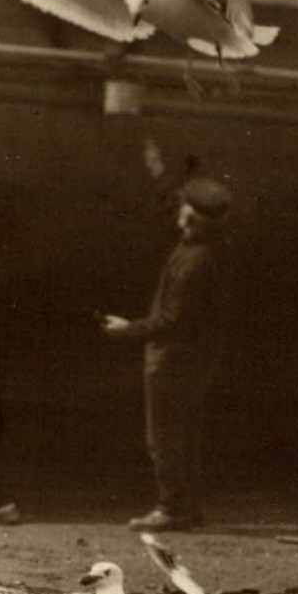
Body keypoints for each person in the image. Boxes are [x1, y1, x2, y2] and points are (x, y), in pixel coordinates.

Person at [99, 176, 235, 532]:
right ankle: (188, 508)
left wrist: (128, 329)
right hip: (193, 361)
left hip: (174, 360)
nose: (178, 211)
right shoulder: (203, 249)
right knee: (183, 434)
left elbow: (173, 320)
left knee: (165, 437)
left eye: (182, 207)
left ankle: (173, 507)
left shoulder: (194, 261)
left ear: (191, 215)